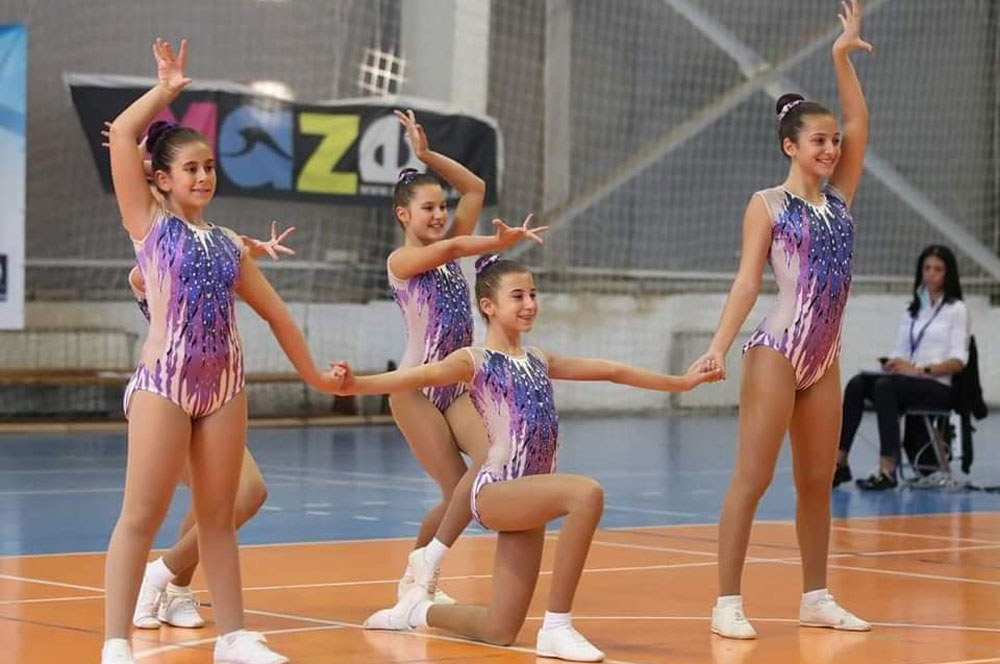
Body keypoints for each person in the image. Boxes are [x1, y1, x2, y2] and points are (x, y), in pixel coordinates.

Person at [333, 255, 721, 662]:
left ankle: (416, 611)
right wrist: (355, 385)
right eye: (517, 296)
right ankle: (557, 626)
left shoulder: (539, 359)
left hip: (527, 496)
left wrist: (681, 383)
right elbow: (417, 376)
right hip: (495, 491)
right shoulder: (474, 360)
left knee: (499, 629)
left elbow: (612, 371)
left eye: (533, 294)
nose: (530, 304)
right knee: (585, 494)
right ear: (488, 306)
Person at [101, 38, 338, 664]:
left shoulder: (231, 243)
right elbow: (122, 135)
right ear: (161, 179)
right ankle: (116, 642)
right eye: (191, 168)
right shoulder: (150, 227)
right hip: (164, 385)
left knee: (217, 517)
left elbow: (276, 313)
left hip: (225, 388)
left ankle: (233, 637)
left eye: (209, 167)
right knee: (142, 516)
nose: (204, 176)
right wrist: (165, 91)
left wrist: (315, 376)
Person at [693, 0, 874, 640]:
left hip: (825, 357)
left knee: (816, 481)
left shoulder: (841, 198)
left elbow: (859, 119)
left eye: (833, 142)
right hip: (776, 349)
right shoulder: (766, 204)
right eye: (818, 141)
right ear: (789, 146)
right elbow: (748, 281)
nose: (831, 148)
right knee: (754, 477)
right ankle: (726, 601)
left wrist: (840, 56)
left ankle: (816, 597)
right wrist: (718, 346)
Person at [384, 109, 546, 603]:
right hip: (415, 390)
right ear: (404, 216)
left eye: (441, 206)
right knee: (456, 487)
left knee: (493, 460)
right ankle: (418, 582)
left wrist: (427, 155)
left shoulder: (450, 251)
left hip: (456, 387)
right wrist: (495, 241)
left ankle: (419, 571)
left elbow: (474, 188)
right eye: (427, 208)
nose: (438, 215)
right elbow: (453, 245)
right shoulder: (403, 260)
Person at [835, 245, 969, 489]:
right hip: (908, 381)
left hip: (938, 386)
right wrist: (893, 363)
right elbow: (901, 351)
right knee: (857, 384)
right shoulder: (913, 310)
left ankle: (888, 469)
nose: (931, 274)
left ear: (948, 274)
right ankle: (839, 462)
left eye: (938, 269)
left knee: (885, 387)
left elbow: (958, 362)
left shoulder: (956, 310)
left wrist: (920, 370)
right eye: (927, 268)